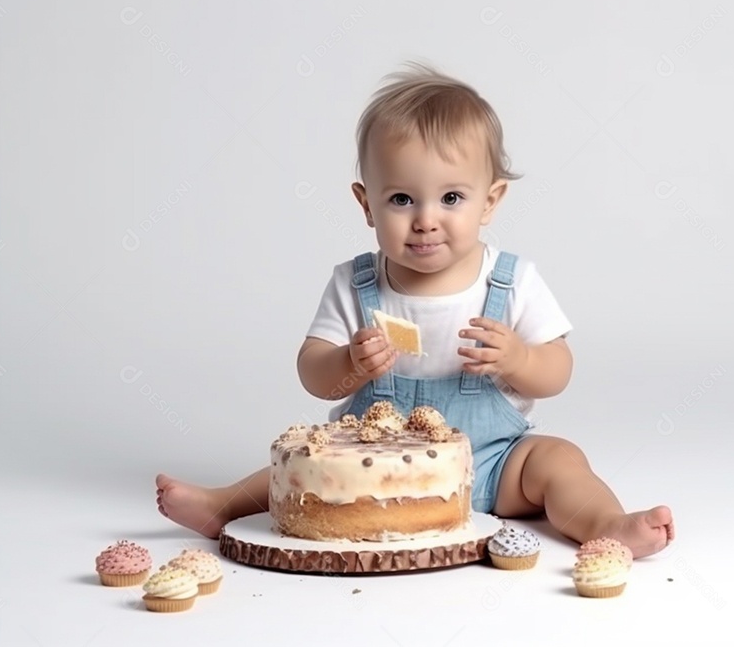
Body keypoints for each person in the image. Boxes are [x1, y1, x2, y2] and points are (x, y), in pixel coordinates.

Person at [156, 63, 674, 558]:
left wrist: (518, 359)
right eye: (402, 199)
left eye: (451, 197)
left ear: (490, 202)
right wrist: (348, 364)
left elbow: (559, 369)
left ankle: (605, 524)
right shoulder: (355, 284)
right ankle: (221, 506)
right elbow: (312, 371)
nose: (426, 220)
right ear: (366, 205)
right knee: (297, 468)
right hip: (362, 471)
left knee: (558, 459)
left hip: (490, 465)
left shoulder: (512, 281)